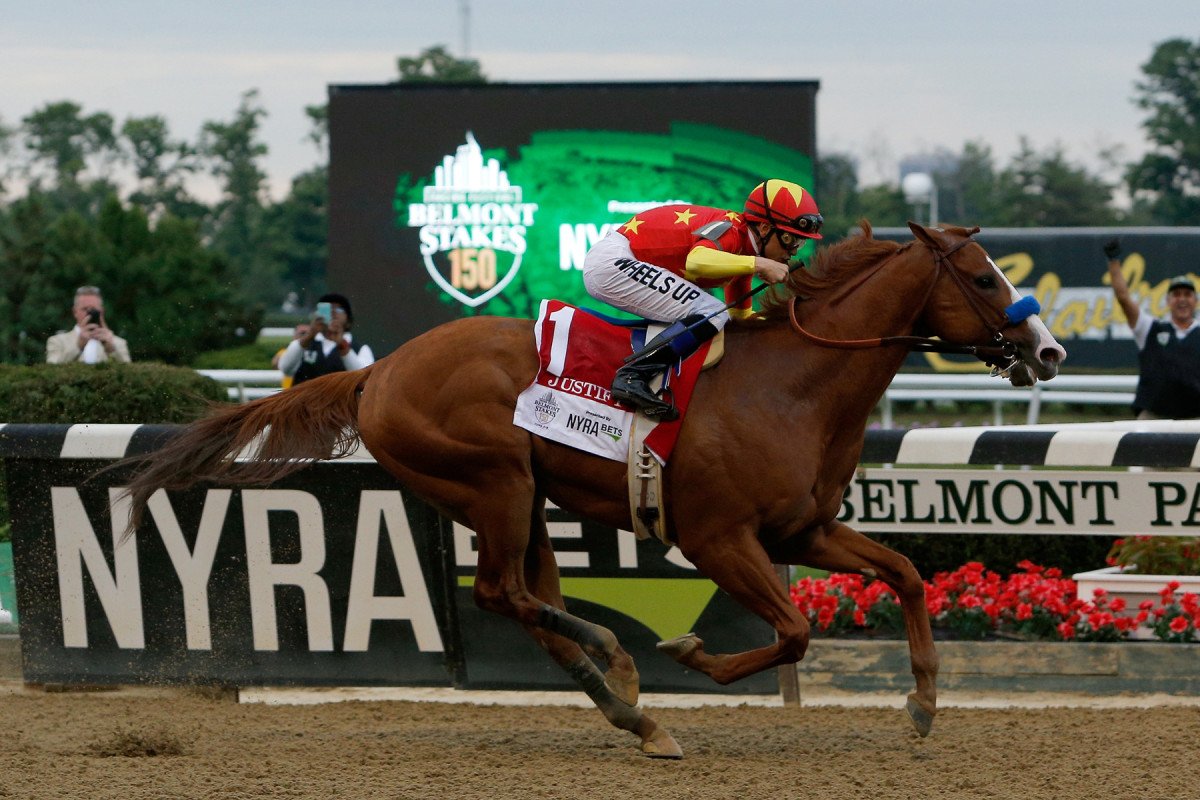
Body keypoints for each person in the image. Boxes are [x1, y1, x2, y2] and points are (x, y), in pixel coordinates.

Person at [582, 178, 821, 419]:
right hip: (611, 262)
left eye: (800, 242)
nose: (793, 250)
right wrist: (760, 263)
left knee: (717, 315)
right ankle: (632, 376)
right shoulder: (732, 230)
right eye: (790, 239)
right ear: (765, 229)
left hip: (617, 260)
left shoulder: (745, 250)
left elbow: (740, 318)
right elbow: (696, 262)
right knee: (711, 309)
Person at [1105, 238, 1200, 419]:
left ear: (1196, 301)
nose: (1182, 299)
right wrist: (1113, 261)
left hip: (1196, 416)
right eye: (1176, 294)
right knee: (1139, 447)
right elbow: (1123, 298)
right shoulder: (1149, 328)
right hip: (1153, 415)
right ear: (1168, 301)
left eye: (1187, 295)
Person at [277, 293, 375, 386]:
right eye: (327, 308)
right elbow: (285, 368)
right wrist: (309, 335)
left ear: (348, 320)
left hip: (341, 403)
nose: (333, 312)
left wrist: (342, 345)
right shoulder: (305, 344)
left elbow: (364, 379)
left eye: (339, 309)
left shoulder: (360, 349)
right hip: (303, 402)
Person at [45, 286, 132, 364]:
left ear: (102, 311)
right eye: (85, 309)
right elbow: (51, 369)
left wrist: (111, 350)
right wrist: (78, 347)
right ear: (75, 312)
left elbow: (130, 373)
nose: (89, 313)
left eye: (94, 310)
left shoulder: (118, 343)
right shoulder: (57, 341)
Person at [271, 322, 311, 389]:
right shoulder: (284, 352)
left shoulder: (317, 353)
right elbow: (275, 364)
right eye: (303, 333)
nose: (305, 336)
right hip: (289, 391)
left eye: (308, 334)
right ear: (294, 335)